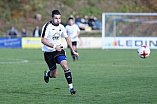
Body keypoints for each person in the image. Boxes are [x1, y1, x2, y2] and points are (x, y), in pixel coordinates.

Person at [41, 10, 79, 95]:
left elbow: (67, 38)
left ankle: (71, 88)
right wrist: (54, 46)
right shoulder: (47, 26)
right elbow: (43, 40)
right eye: (56, 18)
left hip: (58, 51)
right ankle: (47, 74)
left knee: (65, 66)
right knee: (54, 75)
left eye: (59, 18)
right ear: (52, 18)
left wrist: (73, 51)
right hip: (48, 53)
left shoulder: (61, 27)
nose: (58, 20)